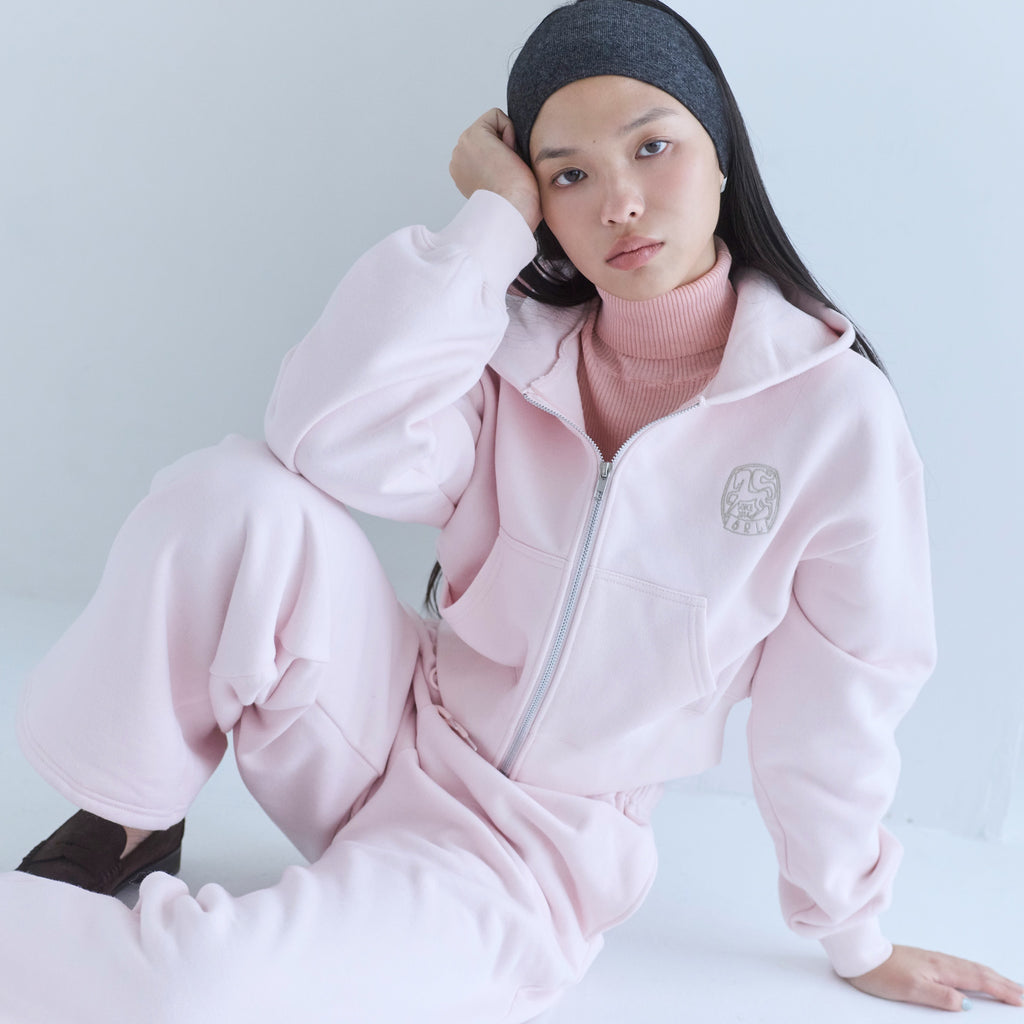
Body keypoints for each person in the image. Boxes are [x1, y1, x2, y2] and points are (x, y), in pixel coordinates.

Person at [2, 0, 1020, 1020]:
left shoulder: (832, 418)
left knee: (194, 987)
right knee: (231, 495)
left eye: (652, 148)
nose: (619, 203)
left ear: (721, 155)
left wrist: (853, 931)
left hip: (518, 857)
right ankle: (130, 817)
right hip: (383, 726)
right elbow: (323, 434)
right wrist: (489, 223)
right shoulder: (518, 348)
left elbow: (841, 697)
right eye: (569, 175)